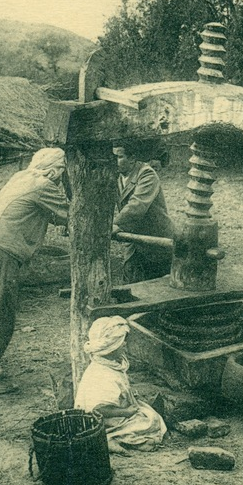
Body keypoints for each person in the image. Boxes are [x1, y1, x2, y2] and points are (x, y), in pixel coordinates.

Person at [0, 148, 69, 394]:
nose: (62, 176)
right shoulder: (44, 185)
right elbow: (72, 214)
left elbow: (49, 213)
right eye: (63, 171)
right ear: (55, 170)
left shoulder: (21, 177)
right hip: (1, 250)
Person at [74, 316, 167, 454]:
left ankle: (123, 439)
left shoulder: (109, 363)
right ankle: (112, 439)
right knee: (149, 421)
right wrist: (125, 412)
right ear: (112, 347)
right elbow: (98, 410)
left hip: (110, 411)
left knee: (150, 414)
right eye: (122, 342)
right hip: (100, 419)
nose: (124, 344)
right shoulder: (103, 374)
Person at [112, 141, 175, 283]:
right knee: (130, 281)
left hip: (156, 240)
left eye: (119, 156)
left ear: (132, 158)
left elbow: (137, 205)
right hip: (134, 241)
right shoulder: (116, 176)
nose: (115, 161)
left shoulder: (147, 174)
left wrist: (116, 224)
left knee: (159, 285)